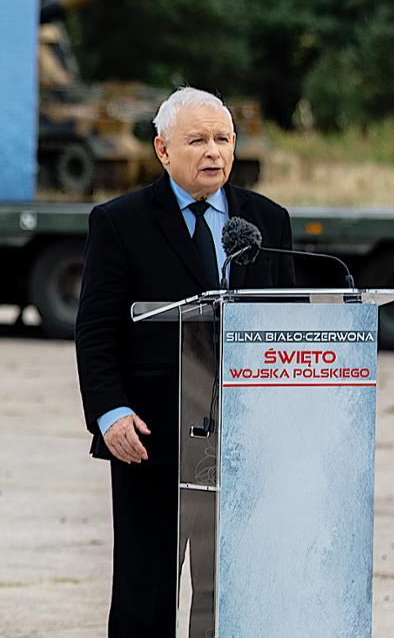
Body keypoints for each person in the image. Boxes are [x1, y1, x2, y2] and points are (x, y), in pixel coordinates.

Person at [74, 87, 297, 637]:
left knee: (232, 591)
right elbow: (96, 331)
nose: (213, 152)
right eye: (197, 140)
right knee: (144, 594)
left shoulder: (267, 221)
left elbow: (287, 331)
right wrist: (110, 413)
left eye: (222, 139)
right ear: (163, 149)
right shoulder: (120, 222)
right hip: (151, 435)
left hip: (244, 439)